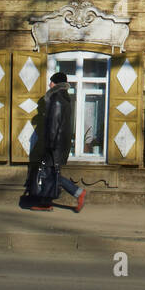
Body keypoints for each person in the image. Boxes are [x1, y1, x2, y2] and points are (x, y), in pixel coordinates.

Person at [25, 72, 88, 212]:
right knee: (51, 173)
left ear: (56, 83)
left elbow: (54, 124)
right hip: (60, 145)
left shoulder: (56, 99)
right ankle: (47, 202)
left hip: (54, 145)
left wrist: (50, 145)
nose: (49, 84)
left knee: (51, 173)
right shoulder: (65, 98)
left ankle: (78, 193)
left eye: (51, 82)